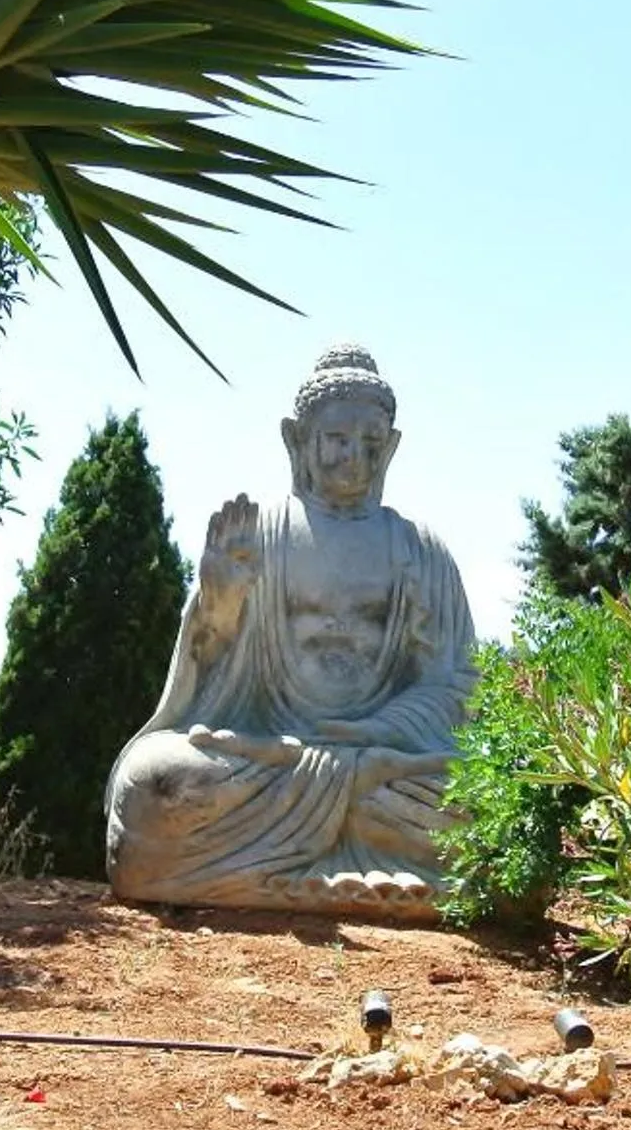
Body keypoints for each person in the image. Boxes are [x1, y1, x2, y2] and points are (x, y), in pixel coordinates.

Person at [104, 344, 475, 915]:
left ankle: (274, 873)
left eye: (370, 444)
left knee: (489, 805)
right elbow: (206, 680)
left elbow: (456, 688)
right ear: (296, 439)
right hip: (266, 757)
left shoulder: (421, 552)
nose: (353, 458)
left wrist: (372, 739)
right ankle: (383, 875)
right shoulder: (262, 535)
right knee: (157, 784)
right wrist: (221, 603)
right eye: (336, 441)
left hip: (388, 764)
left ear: (392, 447)